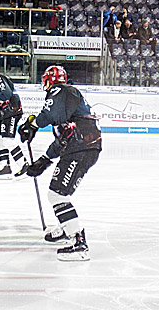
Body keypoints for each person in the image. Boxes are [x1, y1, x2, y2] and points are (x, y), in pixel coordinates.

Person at [18, 65, 103, 260]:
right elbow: (63, 137)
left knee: (57, 195)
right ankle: (67, 227)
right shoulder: (67, 105)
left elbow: (50, 116)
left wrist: (33, 124)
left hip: (81, 149)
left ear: (49, 81)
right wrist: (44, 160)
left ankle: (78, 242)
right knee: (58, 193)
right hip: (81, 148)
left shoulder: (61, 90)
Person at [0, 61, 30, 180]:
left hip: (12, 112)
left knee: (8, 140)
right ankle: (5, 168)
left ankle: (24, 166)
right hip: (6, 114)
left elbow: (6, 94)